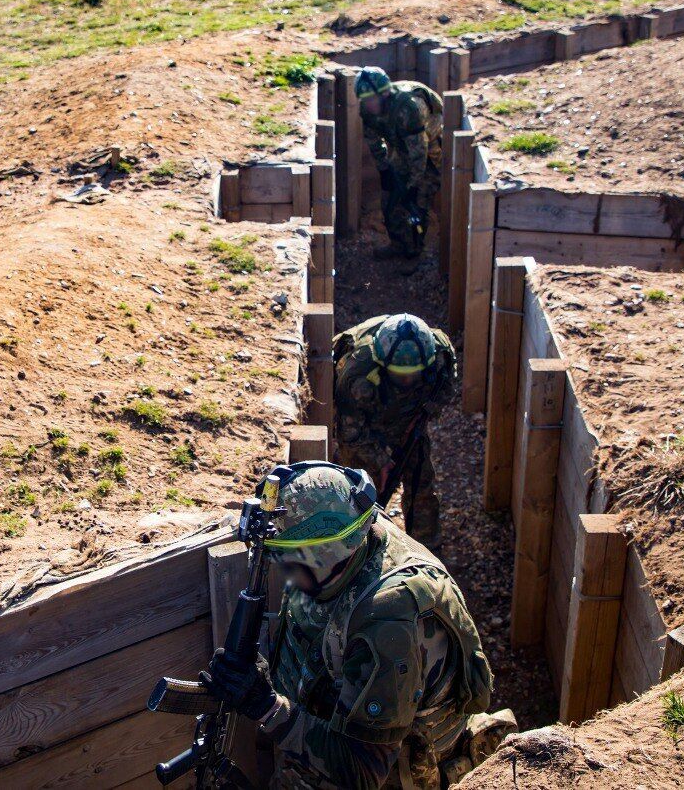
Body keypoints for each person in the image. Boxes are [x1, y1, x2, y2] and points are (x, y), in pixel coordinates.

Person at [201, 463, 511, 789]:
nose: (283, 569)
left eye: (291, 557)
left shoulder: (389, 620)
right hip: (338, 719)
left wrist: (266, 706)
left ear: (328, 553)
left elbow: (362, 774)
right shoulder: (356, 537)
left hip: (396, 769)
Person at [333, 314, 455, 550]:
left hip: (410, 417)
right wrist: (382, 460)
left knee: (421, 482)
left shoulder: (439, 353)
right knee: (360, 488)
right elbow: (349, 435)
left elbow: (447, 383)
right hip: (366, 420)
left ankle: (427, 548)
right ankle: (354, 547)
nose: (408, 379)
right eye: (400, 374)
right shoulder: (358, 376)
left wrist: (430, 408)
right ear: (382, 365)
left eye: (414, 374)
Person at [355, 67, 444, 265]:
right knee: (390, 200)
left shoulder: (408, 108)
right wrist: (384, 168)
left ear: (385, 93)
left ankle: (414, 252)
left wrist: (412, 185)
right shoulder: (367, 109)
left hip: (431, 150)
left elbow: (419, 153)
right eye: (364, 100)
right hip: (403, 148)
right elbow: (373, 139)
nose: (368, 104)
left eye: (372, 99)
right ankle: (398, 244)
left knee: (417, 204)